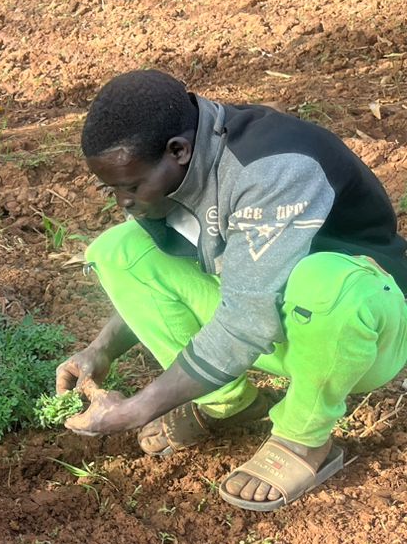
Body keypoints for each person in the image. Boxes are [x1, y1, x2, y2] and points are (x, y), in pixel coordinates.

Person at [58, 69, 407, 511]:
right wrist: (102, 349)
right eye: (113, 189)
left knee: (325, 285)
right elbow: (213, 291)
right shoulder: (168, 175)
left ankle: (304, 437)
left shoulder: (273, 167)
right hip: (264, 321)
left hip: (358, 334)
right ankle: (227, 403)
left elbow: (246, 321)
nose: (123, 201)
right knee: (119, 250)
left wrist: (140, 406)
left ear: (178, 150)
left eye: (130, 186)